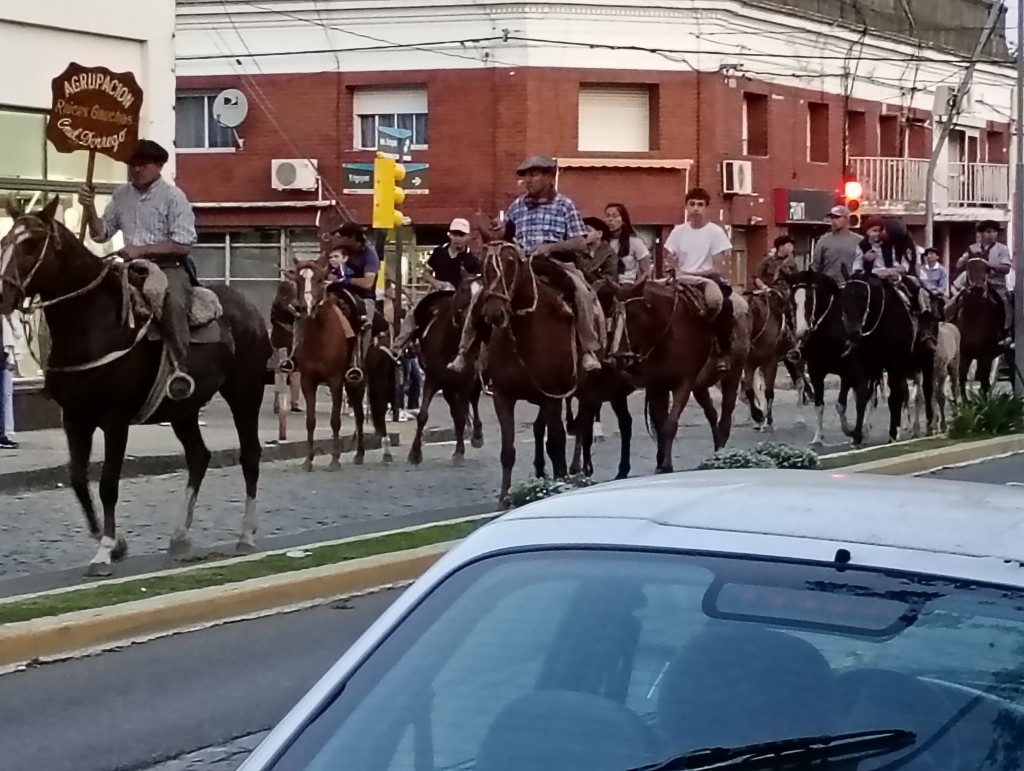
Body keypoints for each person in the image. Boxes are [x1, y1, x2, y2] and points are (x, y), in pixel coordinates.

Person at [448, 155, 603, 374]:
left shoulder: (565, 205)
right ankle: (464, 352)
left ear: (550, 177)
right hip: (520, 266)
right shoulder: (517, 206)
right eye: (526, 176)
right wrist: (497, 229)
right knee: (482, 294)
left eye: (534, 174)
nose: (528, 180)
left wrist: (550, 247)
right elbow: (505, 237)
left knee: (581, 291)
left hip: (556, 264)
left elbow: (579, 241)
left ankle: (588, 349)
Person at [78, 139, 199, 401]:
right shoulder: (121, 194)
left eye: (143, 164)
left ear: (159, 166)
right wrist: (88, 208)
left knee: (173, 302)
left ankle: (180, 369)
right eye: (133, 164)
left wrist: (141, 250)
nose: (137, 169)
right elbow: (101, 235)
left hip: (168, 268)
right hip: (130, 268)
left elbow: (183, 244)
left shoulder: (174, 197)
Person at [662, 187, 736, 372]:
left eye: (700, 205)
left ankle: (722, 350)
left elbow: (718, 267)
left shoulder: (715, 232)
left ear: (706, 208)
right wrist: (672, 268)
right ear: (686, 207)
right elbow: (670, 259)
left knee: (721, 303)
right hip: (680, 278)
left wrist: (696, 274)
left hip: (706, 279)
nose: (696, 208)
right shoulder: (678, 231)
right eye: (692, 204)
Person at [386, 219, 481, 360]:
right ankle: (397, 348)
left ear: (467, 237)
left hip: (460, 297)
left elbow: (477, 280)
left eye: (461, 235)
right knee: (413, 314)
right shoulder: (439, 252)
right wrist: (436, 282)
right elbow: (425, 273)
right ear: (449, 235)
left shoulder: (471, 259)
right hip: (438, 293)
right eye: (455, 234)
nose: (457, 239)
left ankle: (478, 354)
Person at [851, 216, 935, 339]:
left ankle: (923, 320)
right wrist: (866, 262)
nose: (878, 234)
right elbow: (856, 268)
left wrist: (891, 271)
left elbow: (901, 266)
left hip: (893, 277)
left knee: (915, 287)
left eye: (880, 230)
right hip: (870, 278)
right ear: (867, 231)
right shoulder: (862, 246)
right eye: (874, 230)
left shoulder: (893, 245)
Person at [330, 223, 381, 376]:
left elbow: (368, 283)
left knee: (365, 325)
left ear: (352, 238)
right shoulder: (340, 251)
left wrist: (346, 280)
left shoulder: (370, 255)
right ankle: (297, 356)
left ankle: (359, 364)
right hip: (338, 293)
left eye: (343, 237)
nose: (340, 240)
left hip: (364, 297)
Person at [950, 220, 1012, 344]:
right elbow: (958, 265)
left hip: (995, 284)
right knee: (956, 301)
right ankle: (951, 325)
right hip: (974, 284)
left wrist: (990, 265)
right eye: (988, 231)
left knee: (1005, 302)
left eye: (994, 232)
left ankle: (1005, 332)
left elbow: (1006, 268)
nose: (992, 234)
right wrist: (964, 260)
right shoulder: (972, 248)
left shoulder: (1002, 249)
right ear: (982, 234)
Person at [811, 205, 863, 285]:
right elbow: (815, 266)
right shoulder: (823, 241)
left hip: (852, 287)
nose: (834, 220)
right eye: (832, 218)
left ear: (846, 219)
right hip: (828, 287)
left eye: (837, 217)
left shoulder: (859, 240)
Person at [604, 202, 651, 285]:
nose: (610, 219)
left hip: (628, 285)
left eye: (614, 216)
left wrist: (635, 287)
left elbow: (646, 272)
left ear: (623, 220)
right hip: (606, 285)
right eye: (608, 216)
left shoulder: (635, 242)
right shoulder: (602, 243)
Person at [579, 216, 619, 283]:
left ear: (599, 234)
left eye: (588, 230)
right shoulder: (578, 252)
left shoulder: (609, 255)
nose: (584, 234)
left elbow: (609, 280)